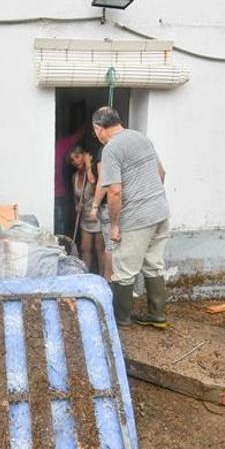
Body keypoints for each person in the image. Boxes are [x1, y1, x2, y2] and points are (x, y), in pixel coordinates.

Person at [92, 106, 170, 329]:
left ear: (99, 128)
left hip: (137, 219)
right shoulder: (141, 138)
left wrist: (115, 225)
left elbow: (115, 192)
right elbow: (161, 173)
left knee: (123, 270)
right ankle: (158, 315)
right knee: (154, 264)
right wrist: (151, 199)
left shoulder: (111, 149)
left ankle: (121, 319)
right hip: (160, 212)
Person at [68, 146, 106, 273]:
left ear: (84, 156)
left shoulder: (94, 171)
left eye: (77, 157)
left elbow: (94, 182)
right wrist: (76, 205)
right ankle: (86, 275)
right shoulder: (75, 176)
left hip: (96, 215)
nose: (75, 161)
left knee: (99, 249)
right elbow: (76, 197)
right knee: (85, 248)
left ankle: (103, 278)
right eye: (72, 160)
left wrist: (89, 165)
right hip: (85, 217)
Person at [86, 148, 113, 280]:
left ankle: (107, 280)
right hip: (124, 205)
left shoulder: (104, 151)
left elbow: (101, 182)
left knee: (107, 247)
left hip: (108, 206)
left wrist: (94, 207)